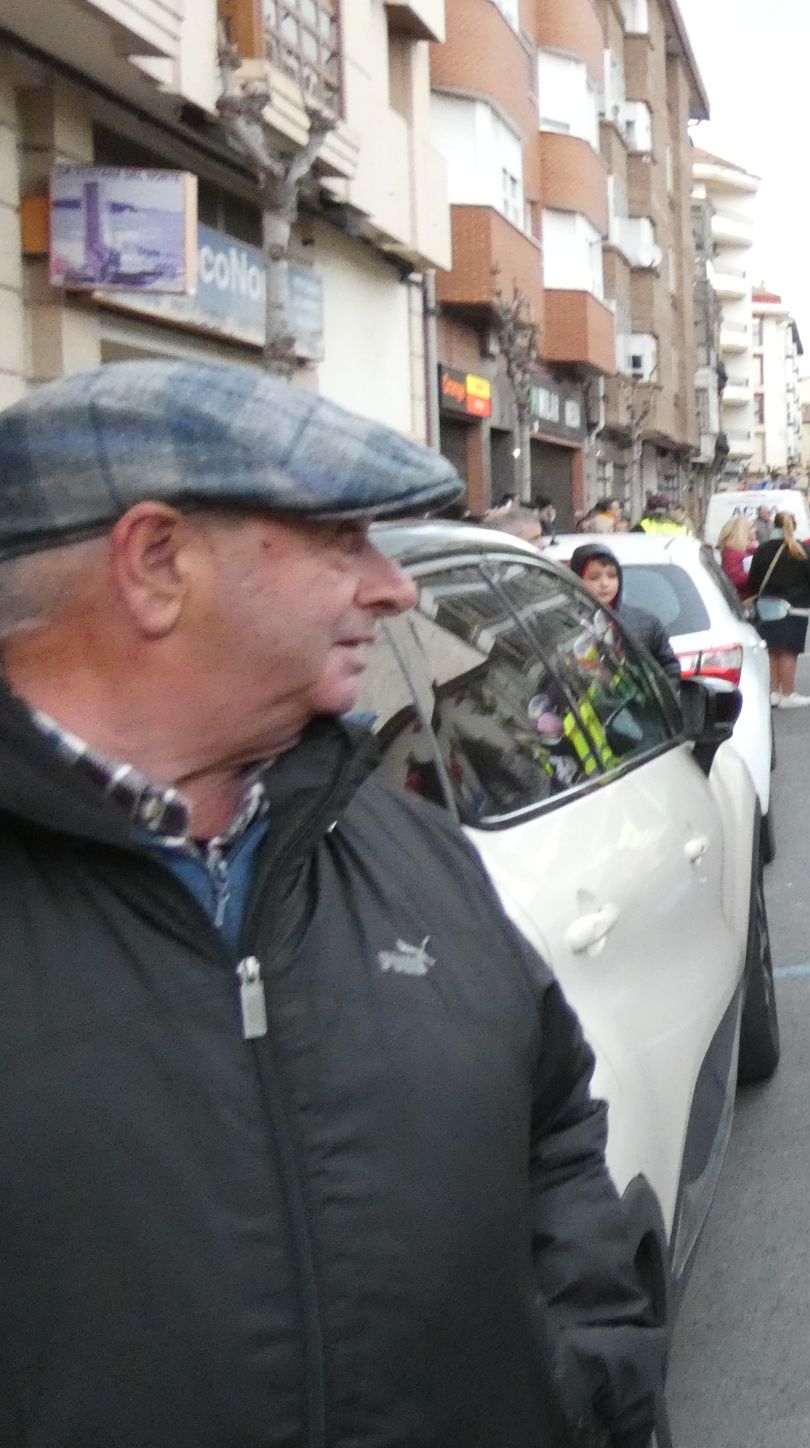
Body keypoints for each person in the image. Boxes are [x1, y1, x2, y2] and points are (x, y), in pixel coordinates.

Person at [0, 361, 663, 1444]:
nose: (392, 586)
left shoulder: (397, 839)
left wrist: (583, 1380)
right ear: (158, 564)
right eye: (339, 539)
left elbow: (552, 1122)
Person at [745, 512, 810, 708]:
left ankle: (773, 693)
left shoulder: (762, 549)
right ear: (794, 525)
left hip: (766, 607)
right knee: (789, 651)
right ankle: (788, 695)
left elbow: (752, 581)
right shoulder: (800, 549)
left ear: (774, 525)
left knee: (772, 651)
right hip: (794, 607)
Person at [568, 542, 682, 677]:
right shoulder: (566, 624)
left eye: (612, 575)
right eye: (594, 577)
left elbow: (670, 667)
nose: (605, 583)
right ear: (576, 580)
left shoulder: (646, 623)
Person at [717, 513, 758, 596]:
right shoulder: (731, 554)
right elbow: (735, 578)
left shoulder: (745, 551)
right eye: (750, 528)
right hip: (742, 598)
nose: (754, 530)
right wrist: (757, 574)